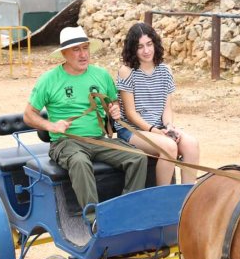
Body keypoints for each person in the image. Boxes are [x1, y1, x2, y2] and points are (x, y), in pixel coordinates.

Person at [23, 26, 147, 222]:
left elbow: (113, 102)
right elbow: (29, 115)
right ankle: (94, 220)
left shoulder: (101, 75)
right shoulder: (49, 80)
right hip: (65, 142)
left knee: (138, 157)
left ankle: (127, 212)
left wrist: (114, 109)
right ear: (64, 54)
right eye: (76, 50)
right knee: (80, 162)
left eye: (85, 48)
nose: (83, 54)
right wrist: (52, 126)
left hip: (98, 139)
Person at [116, 22, 199, 186]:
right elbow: (131, 114)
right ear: (132, 49)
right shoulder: (126, 71)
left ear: (155, 44)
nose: (146, 51)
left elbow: (166, 108)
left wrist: (169, 127)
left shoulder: (165, 71)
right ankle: (163, 195)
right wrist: (154, 130)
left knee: (191, 144)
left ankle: (186, 195)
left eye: (149, 44)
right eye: (140, 47)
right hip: (132, 131)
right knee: (169, 147)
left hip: (159, 128)